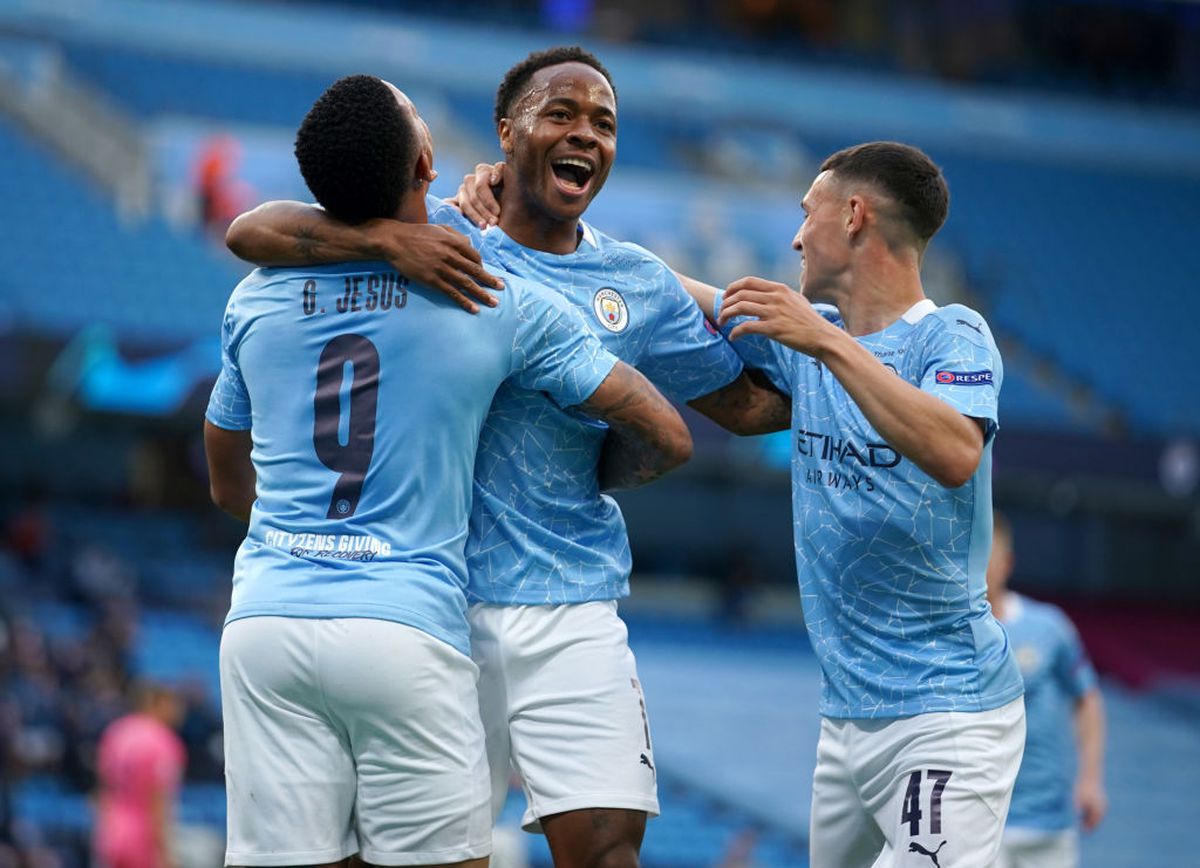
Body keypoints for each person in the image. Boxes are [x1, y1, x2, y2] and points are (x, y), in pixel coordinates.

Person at [225, 46, 790, 868]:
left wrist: (823, 365)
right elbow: (254, 231)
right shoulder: (436, 231)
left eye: (604, 123)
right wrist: (391, 241)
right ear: (507, 133)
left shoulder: (637, 281)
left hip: (569, 600)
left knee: (606, 849)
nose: (586, 135)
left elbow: (740, 410)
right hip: (435, 604)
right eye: (562, 114)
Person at [685, 141, 1026, 867]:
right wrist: (570, 245)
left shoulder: (952, 334)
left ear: (855, 215)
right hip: (844, 721)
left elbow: (956, 450)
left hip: (947, 713)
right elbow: (678, 294)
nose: (796, 236)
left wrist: (824, 343)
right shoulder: (814, 342)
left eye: (806, 214)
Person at [987, 513, 1107, 868]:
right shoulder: (947, 634)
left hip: (1047, 822)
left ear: (1007, 563)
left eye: (988, 559)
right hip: (978, 820)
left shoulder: (1049, 627)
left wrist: (1090, 779)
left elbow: (1087, 699)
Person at [93, 682, 187, 868]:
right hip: (143, 840)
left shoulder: (116, 732)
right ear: (157, 703)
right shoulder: (163, 741)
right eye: (174, 703)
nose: (179, 711)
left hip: (111, 834)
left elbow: (103, 789)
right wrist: (166, 853)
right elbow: (159, 802)